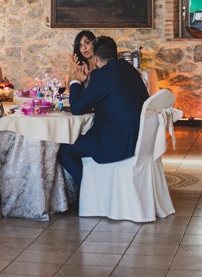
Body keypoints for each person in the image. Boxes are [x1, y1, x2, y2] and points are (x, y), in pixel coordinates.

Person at [59, 37, 151, 193]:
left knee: (64, 150)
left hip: (119, 143)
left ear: (95, 59)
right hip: (139, 138)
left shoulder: (102, 75)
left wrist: (76, 82)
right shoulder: (129, 69)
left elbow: (77, 108)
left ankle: (89, 193)